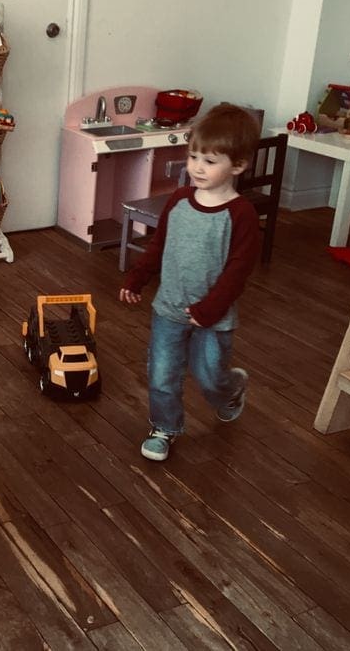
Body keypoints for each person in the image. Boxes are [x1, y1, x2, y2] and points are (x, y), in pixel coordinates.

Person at [119, 104, 261, 461]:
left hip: (213, 316)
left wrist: (210, 310)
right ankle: (165, 427)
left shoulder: (240, 213)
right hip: (168, 307)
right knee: (162, 374)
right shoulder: (180, 200)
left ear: (238, 165)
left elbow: (238, 270)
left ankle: (231, 390)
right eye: (193, 156)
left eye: (210, 161)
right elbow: (159, 243)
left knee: (209, 375)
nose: (197, 167)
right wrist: (137, 277)